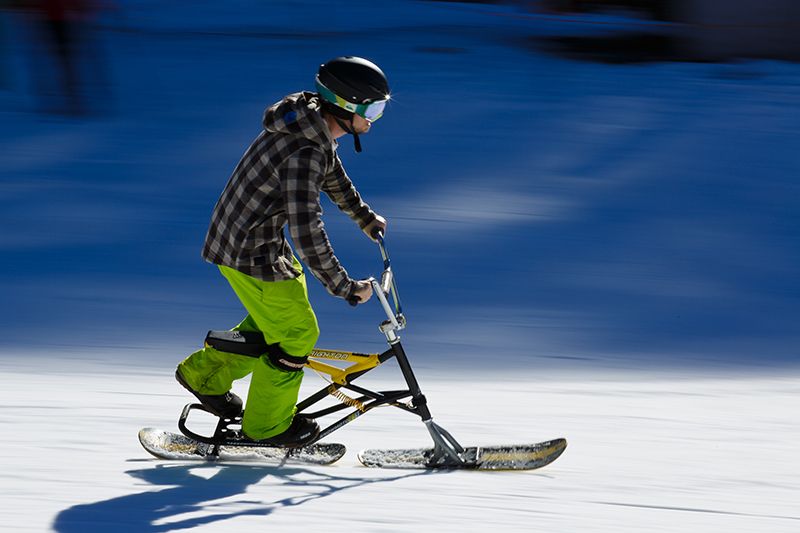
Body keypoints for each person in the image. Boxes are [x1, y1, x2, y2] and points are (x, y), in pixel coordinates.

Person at [175, 56, 390, 448]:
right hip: (249, 250)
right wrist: (343, 286)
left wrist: (363, 216)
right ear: (345, 107)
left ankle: (204, 375)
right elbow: (307, 229)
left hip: (252, 239)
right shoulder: (303, 151)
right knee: (297, 333)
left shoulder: (310, 126)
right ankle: (267, 428)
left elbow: (333, 174)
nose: (374, 119)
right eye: (373, 109)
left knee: (277, 322)